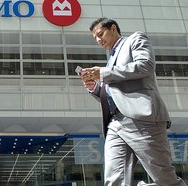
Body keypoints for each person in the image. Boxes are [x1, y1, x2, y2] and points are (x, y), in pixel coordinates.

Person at [78, 17, 187, 186]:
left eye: (101, 34)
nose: (99, 40)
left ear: (113, 29)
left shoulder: (135, 39)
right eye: (95, 38)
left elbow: (145, 66)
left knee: (165, 178)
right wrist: (95, 88)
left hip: (142, 119)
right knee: (114, 180)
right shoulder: (111, 60)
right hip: (115, 124)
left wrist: (104, 73)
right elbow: (114, 94)